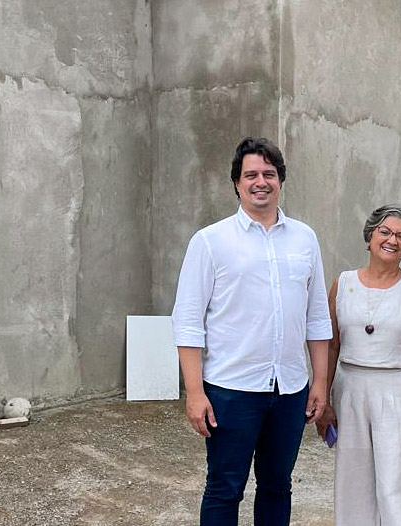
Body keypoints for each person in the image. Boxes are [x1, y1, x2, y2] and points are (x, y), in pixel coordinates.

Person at [171, 137, 331, 525]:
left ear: (280, 180)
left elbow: (317, 316)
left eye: (269, 174)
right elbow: (188, 322)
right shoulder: (210, 242)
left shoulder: (305, 238)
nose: (261, 181)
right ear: (237, 183)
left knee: (278, 485)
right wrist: (195, 393)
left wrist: (320, 382)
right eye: (251, 175)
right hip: (231, 390)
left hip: (290, 390)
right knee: (225, 488)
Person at [315, 205, 401, 525]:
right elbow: (331, 345)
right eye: (385, 231)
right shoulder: (342, 283)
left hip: (397, 391)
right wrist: (323, 400)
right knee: (352, 484)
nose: (392, 240)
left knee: (395, 488)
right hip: (350, 388)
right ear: (370, 236)